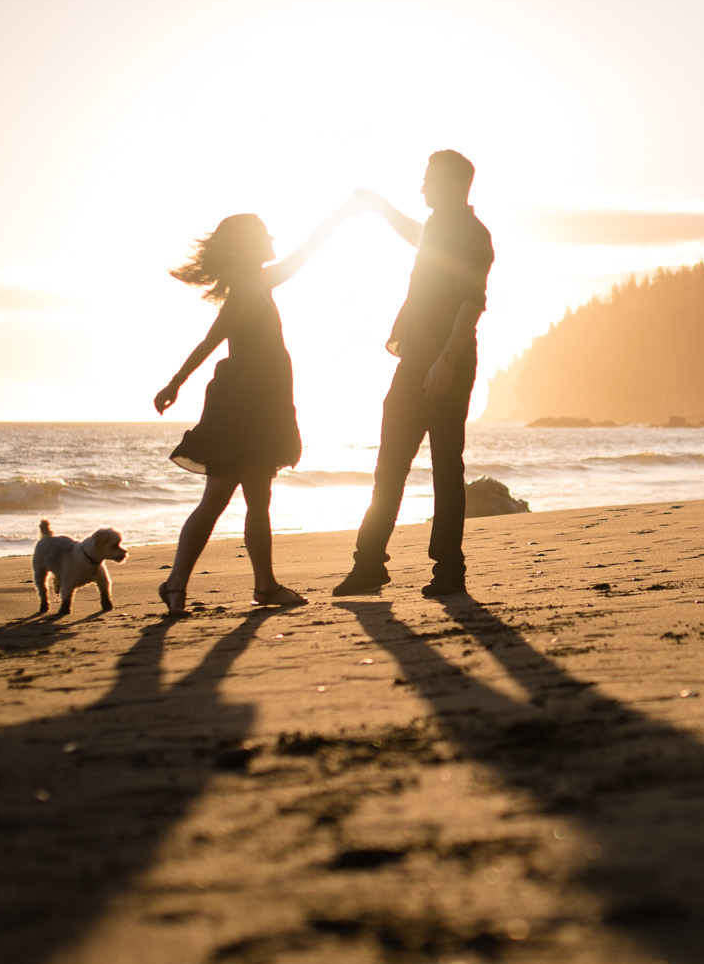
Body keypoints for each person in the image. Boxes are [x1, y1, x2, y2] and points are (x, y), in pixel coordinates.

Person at [153, 207, 350, 617]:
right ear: (249, 246)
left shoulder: (261, 283)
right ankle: (264, 586)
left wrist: (341, 216)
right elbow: (209, 342)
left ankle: (176, 585)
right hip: (246, 408)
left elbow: (308, 251)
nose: (273, 241)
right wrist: (175, 382)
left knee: (218, 502)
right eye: (264, 235)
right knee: (254, 499)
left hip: (254, 404)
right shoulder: (247, 291)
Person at [333, 149, 493, 598]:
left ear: (453, 184)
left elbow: (471, 301)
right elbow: (414, 233)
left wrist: (447, 360)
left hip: (448, 365)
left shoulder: (474, 236)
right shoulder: (439, 229)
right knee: (390, 464)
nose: (422, 186)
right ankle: (368, 566)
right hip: (415, 362)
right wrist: (380, 205)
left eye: (429, 180)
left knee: (445, 467)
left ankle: (448, 571)